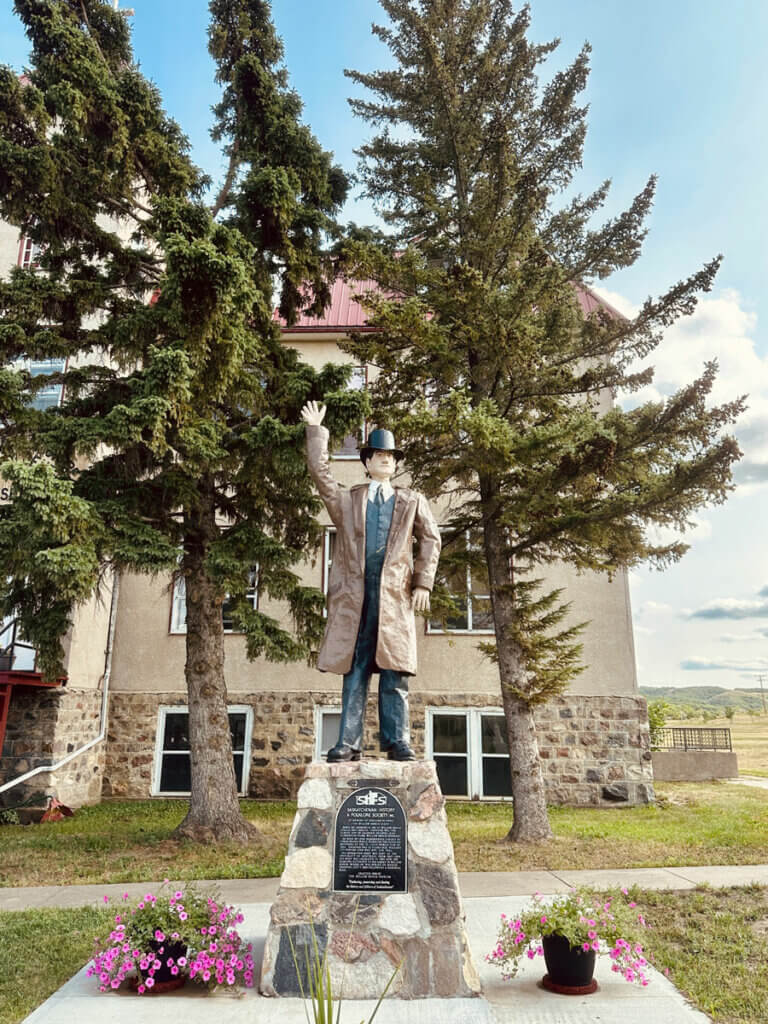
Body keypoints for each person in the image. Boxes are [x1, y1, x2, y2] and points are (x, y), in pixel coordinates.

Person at [301, 400, 441, 761]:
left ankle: (398, 741)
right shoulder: (348, 500)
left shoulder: (412, 500)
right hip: (356, 598)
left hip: (394, 598)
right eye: (378, 455)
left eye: (391, 456)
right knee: (356, 668)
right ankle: (348, 742)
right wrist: (316, 432)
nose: (385, 460)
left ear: (396, 464)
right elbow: (321, 475)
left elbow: (431, 538)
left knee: (395, 673)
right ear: (366, 462)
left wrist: (423, 583)